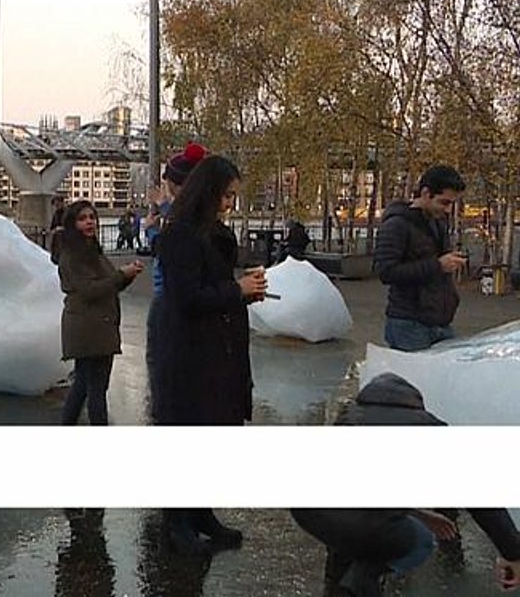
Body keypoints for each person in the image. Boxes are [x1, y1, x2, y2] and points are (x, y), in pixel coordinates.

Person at [291, 372, 520, 596]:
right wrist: (512, 552)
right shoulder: (427, 427)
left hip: (309, 511)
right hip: (359, 518)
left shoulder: (348, 418)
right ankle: (363, 577)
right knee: (420, 541)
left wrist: (420, 514)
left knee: (346, 534)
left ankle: (341, 588)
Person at [154, 155, 267, 555]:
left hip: (220, 351)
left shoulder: (213, 233)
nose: (229, 205)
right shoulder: (180, 234)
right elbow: (186, 297)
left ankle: (201, 513)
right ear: (209, 192)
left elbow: (214, 291)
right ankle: (176, 522)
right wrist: (236, 291)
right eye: (226, 196)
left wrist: (243, 293)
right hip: (190, 356)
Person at [57, 200, 144, 426]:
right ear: (72, 224)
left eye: (92, 217)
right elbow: (89, 290)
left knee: (84, 385)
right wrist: (121, 275)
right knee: (96, 390)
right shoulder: (73, 256)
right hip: (89, 328)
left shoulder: (91, 250)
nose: (90, 222)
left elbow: (107, 284)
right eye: (83, 218)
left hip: (98, 326)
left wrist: (127, 276)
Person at [143, 141, 207, 425]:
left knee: (163, 367)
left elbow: (172, 250)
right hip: (171, 296)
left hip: (168, 297)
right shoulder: (191, 214)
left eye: (167, 182)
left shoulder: (180, 214)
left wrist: (156, 227)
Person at [373, 165, 467, 351]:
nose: (448, 210)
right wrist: (438, 265)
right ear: (426, 193)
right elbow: (386, 272)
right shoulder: (396, 225)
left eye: (451, 204)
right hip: (408, 323)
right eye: (444, 202)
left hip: (439, 321)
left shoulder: (437, 221)